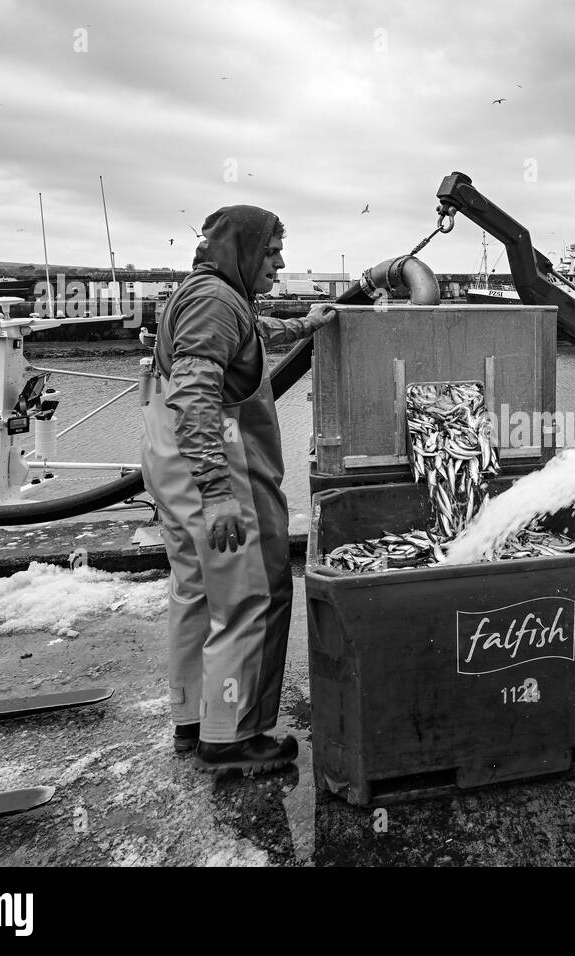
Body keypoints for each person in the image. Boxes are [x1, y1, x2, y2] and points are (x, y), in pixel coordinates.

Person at [141, 204, 336, 775]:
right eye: (272, 252)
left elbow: (248, 332)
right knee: (251, 594)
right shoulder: (214, 301)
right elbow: (198, 394)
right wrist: (219, 491)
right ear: (246, 252)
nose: (280, 263)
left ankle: (194, 718)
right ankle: (231, 738)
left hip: (170, 462)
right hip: (214, 466)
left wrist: (307, 322)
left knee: (198, 591)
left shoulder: (208, 292)